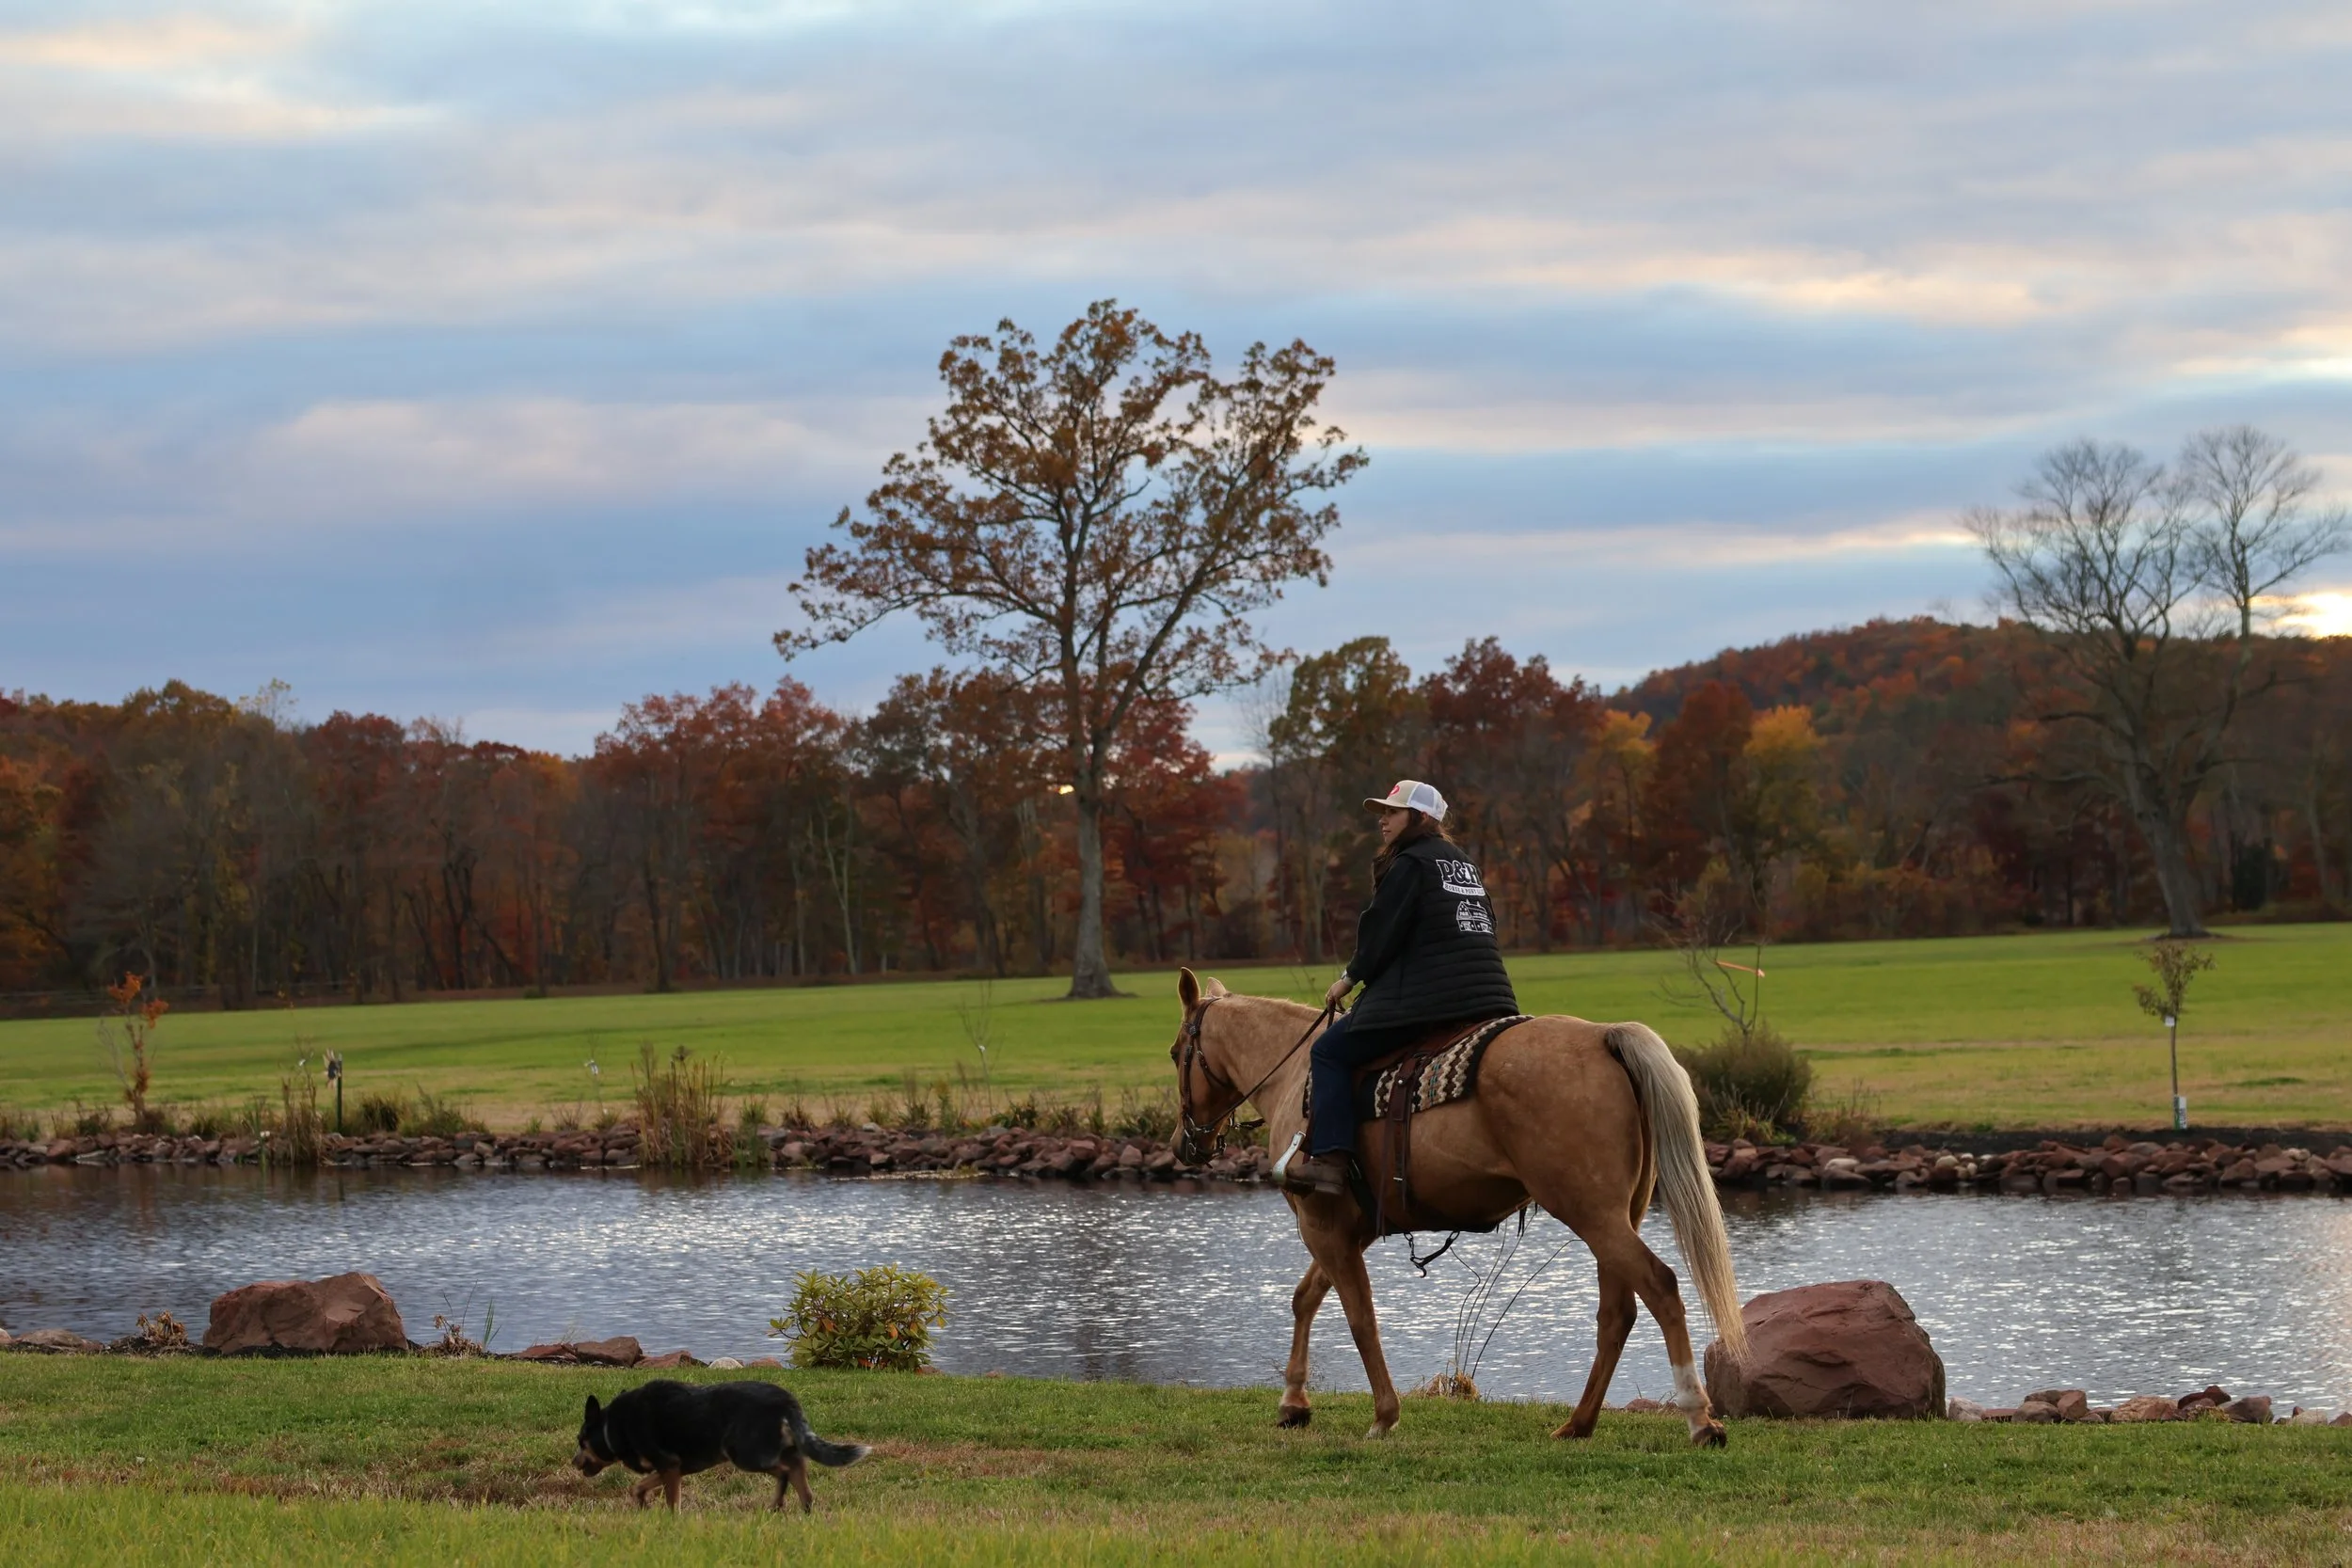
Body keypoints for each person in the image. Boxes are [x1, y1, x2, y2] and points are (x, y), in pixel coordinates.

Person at [1276, 779, 1521, 1196]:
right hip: (1490, 1001)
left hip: (1431, 1001)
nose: (1383, 821)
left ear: (1421, 818)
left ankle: (1331, 1160)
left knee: (1328, 1051)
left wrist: (1349, 978)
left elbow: (1381, 934)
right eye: (1383, 813)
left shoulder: (1410, 863)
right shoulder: (1463, 864)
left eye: (1393, 812)